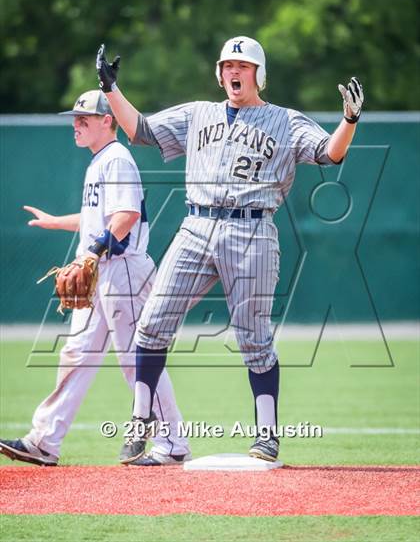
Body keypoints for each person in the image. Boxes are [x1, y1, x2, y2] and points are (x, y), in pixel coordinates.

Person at [96, 36, 364, 462]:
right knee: (150, 323)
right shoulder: (198, 114)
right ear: (219, 74)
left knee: (253, 338)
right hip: (196, 225)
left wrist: (349, 120)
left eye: (243, 66)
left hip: (253, 230)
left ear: (259, 74)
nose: (234, 72)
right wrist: (111, 90)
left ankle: (267, 434)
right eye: (227, 66)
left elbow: (329, 155)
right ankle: (140, 418)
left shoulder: (286, 120)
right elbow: (141, 131)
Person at [0, 90, 191, 467]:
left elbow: (126, 216)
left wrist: (90, 252)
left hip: (123, 272)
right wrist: (58, 222)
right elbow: (99, 220)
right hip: (103, 271)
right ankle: (44, 440)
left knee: (136, 360)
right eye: (75, 117)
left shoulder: (117, 159)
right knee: (76, 355)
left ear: (109, 121)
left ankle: (173, 442)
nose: (77, 123)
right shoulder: (100, 160)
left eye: (85, 118)